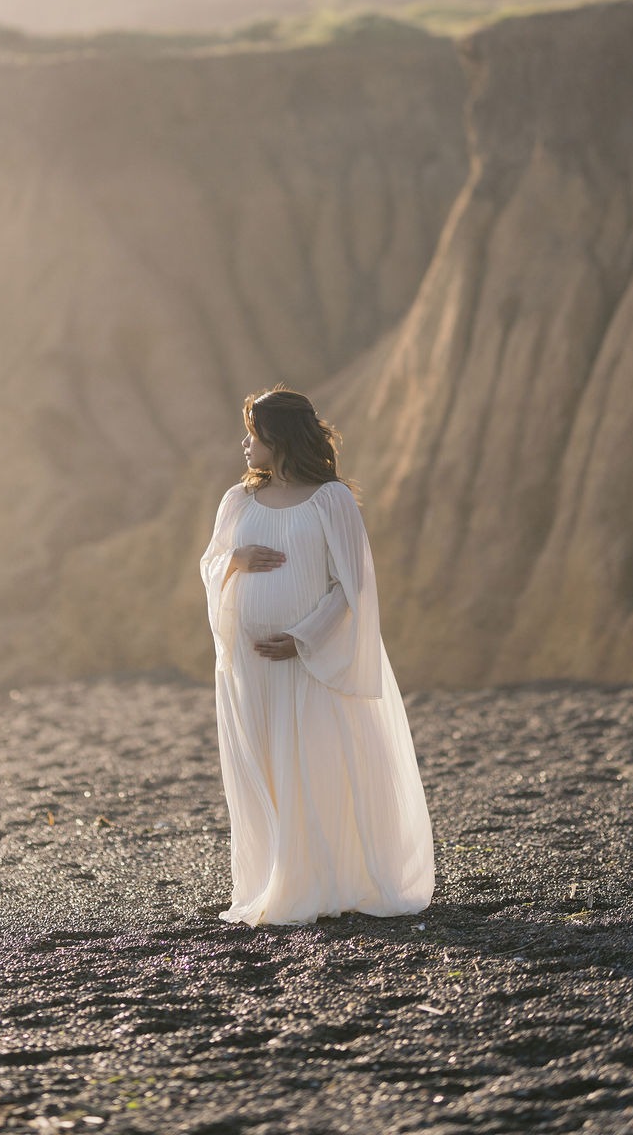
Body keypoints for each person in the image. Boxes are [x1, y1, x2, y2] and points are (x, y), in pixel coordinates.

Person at [200, 385, 434, 926]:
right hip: (252, 665)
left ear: (278, 439)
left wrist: (303, 638)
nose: (244, 444)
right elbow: (210, 565)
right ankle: (274, 881)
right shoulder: (236, 500)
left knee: (313, 767)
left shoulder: (332, 501)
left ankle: (325, 884)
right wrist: (234, 559)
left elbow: (352, 588)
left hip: (311, 662)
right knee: (265, 769)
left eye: (253, 434)